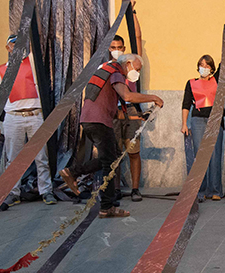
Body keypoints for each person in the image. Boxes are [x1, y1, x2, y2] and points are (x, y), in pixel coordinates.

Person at [60, 51, 162, 218]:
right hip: (99, 122)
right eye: (137, 68)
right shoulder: (115, 72)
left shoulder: (107, 72)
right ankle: (106, 206)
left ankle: (74, 173)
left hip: (90, 120)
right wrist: (153, 97)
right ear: (128, 63)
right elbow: (127, 96)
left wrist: (139, 117)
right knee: (110, 164)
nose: (137, 72)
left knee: (112, 158)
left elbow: (118, 113)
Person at [0, 33, 55, 208]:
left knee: (41, 156)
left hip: (35, 115)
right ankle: (13, 193)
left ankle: (46, 190)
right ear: (8, 47)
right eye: (14, 43)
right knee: (13, 159)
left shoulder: (33, 65)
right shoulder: (0, 70)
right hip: (13, 117)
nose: (18, 46)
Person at [112, 5, 146, 202]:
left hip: (131, 109)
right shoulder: (107, 67)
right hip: (114, 111)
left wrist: (132, 13)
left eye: (119, 48)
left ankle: (135, 189)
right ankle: (115, 189)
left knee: (134, 151)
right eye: (113, 48)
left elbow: (138, 38)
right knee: (115, 153)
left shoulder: (132, 62)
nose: (116, 51)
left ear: (124, 49)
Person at [181, 54, 225, 201]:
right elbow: (186, 104)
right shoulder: (191, 83)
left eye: (207, 65)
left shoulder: (217, 80)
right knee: (200, 156)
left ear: (212, 68)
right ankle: (200, 191)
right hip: (198, 120)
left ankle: (215, 190)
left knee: (215, 155)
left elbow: (224, 64)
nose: (204, 68)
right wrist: (184, 124)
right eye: (201, 65)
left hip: (215, 120)